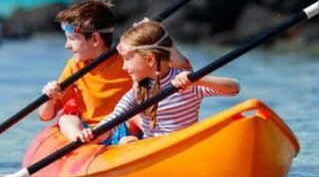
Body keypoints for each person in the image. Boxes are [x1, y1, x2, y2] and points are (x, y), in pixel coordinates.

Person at [77, 19, 240, 145]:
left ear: (149, 59)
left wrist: (198, 80)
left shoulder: (186, 83)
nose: (124, 67)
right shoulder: (138, 91)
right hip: (152, 148)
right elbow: (114, 119)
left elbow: (234, 88)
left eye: (127, 60)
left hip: (184, 146)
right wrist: (93, 133)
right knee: (126, 141)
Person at [38, 0, 134, 142]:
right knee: (66, 119)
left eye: (72, 38)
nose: (67, 45)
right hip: (89, 131)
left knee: (134, 119)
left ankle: (127, 143)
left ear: (95, 39)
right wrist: (49, 98)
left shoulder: (127, 60)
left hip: (121, 128)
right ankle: (80, 142)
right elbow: (46, 116)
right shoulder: (75, 66)